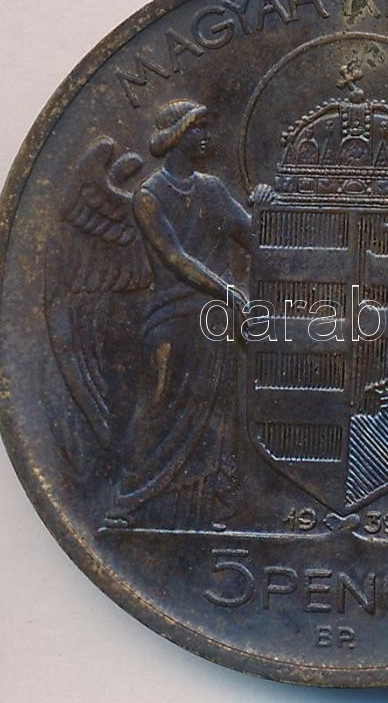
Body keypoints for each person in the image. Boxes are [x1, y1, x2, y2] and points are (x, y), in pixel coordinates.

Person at [105, 99, 257, 529]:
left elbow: (254, 236)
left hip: (215, 324)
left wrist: (270, 205)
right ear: (176, 136)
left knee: (216, 419)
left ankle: (208, 510)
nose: (207, 137)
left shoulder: (213, 189)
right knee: (157, 408)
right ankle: (128, 500)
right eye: (197, 128)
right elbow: (174, 257)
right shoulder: (149, 196)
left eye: (206, 128)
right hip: (171, 320)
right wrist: (228, 290)